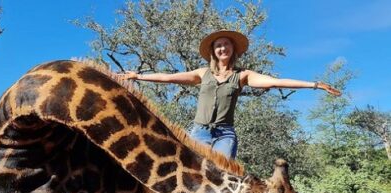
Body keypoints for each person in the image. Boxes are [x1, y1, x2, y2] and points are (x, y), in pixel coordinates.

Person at [121, 30, 341, 159]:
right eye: (218, 45)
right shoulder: (202, 73)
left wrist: (314, 84)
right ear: (213, 51)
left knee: (223, 173)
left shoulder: (243, 75)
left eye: (226, 45)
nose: (222, 48)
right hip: (199, 133)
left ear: (233, 50)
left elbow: (275, 82)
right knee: (196, 172)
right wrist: (138, 76)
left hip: (225, 134)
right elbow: (169, 77)